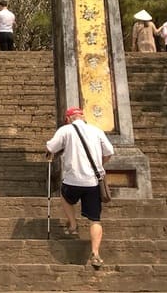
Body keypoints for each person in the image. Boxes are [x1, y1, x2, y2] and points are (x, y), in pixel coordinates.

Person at [45, 107, 115, 269]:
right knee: (95, 219)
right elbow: (109, 152)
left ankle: (73, 224)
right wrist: (99, 164)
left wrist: (49, 153)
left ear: (68, 118)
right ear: (82, 117)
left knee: (65, 195)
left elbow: (50, 147)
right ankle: (96, 253)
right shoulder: (96, 130)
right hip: (93, 181)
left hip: (73, 180)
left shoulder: (66, 130)